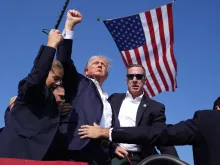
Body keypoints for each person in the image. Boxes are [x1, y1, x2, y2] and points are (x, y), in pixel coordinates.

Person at [79, 64, 178, 164]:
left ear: (145, 80)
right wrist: (113, 147)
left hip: (141, 159)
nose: (134, 80)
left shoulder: (155, 107)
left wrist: (175, 162)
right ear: (126, 80)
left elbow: (162, 137)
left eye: (139, 77)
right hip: (114, 157)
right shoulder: (114, 99)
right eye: (131, 76)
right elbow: (104, 123)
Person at [56, 9, 119, 164]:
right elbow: (63, 61)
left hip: (102, 154)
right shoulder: (80, 83)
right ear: (86, 71)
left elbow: (108, 125)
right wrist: (69, 27)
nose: (100, 65)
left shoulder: (107, 100)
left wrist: (114, 146)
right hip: (78, 147)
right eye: (95, 63)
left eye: (103, 64)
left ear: (107, 74)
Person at [0, 29, 64, 160]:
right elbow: (36, 78)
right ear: (46, 72)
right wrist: (51, 46)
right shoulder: (32, 89)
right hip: (16, 155)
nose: (58, 83)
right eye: (55, 78)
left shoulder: (50, 102)